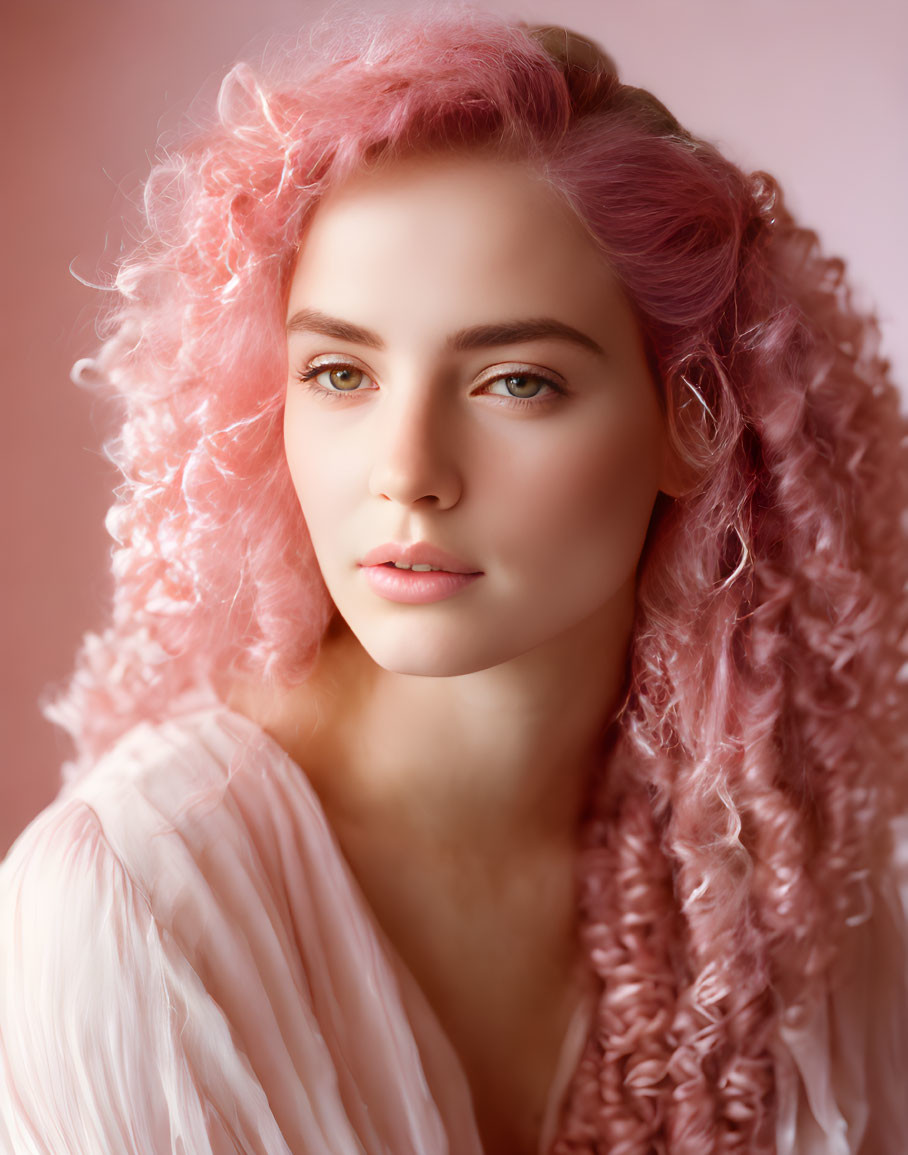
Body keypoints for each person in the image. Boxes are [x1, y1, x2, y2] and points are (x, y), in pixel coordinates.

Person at [1, 9, 906, 1154]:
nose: (406, 474)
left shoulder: (785, 879)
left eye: (514, 382)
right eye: (339, 372)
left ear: (696, 417)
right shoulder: (135, 909)